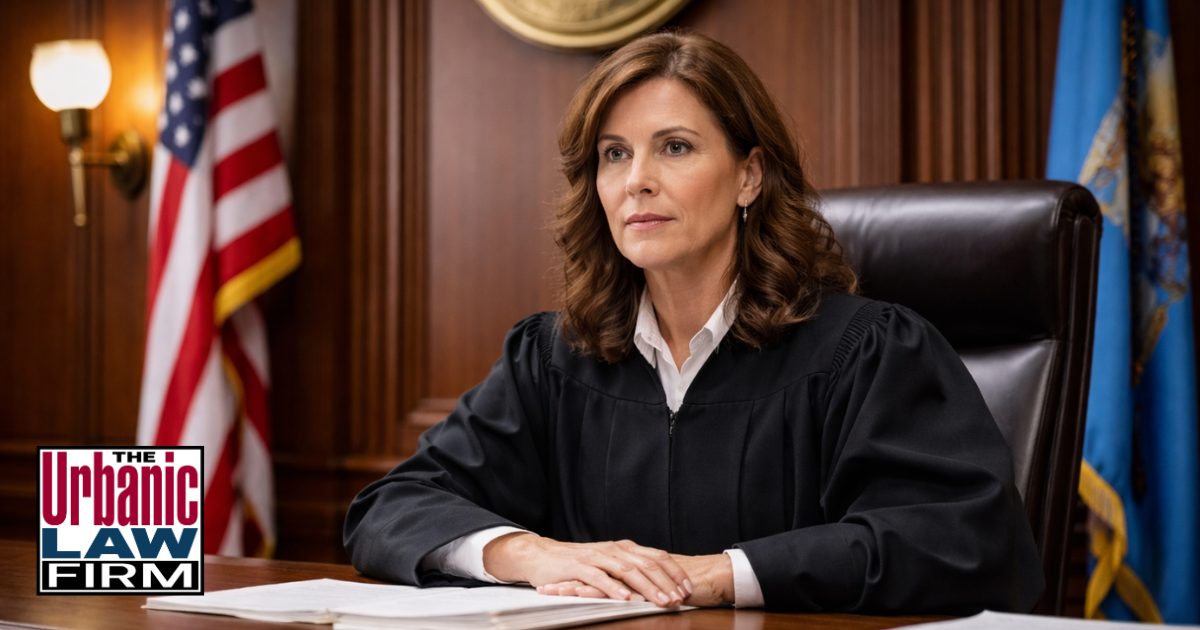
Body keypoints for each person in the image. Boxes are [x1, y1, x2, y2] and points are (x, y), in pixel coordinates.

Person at [344, 30, 1044, 614]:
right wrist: (528, 553)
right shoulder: (554, 359)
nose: (635, 180)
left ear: (750, 176)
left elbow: (960, 541)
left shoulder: (867, 352)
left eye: (674, 146)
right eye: (614, 153)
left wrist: (716, 575)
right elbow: (391, 507)